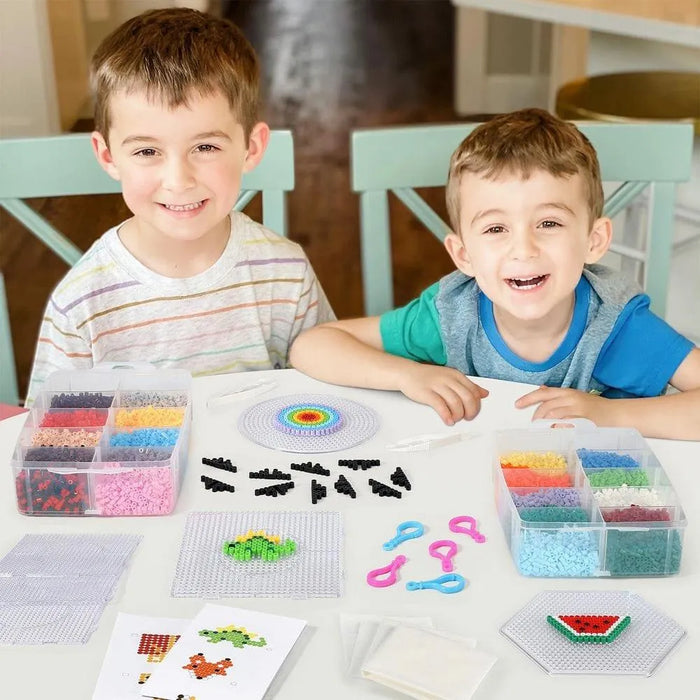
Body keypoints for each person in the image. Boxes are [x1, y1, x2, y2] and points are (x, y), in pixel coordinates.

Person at [290, 108, 700, 440]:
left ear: (593, 240)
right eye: (496, 229)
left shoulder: (615, 328)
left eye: (549, 223)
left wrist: (610, 415)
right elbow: (313, 346)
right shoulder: (452, 316)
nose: (523, 249)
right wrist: (406, 373)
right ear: (463, 254)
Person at [26, 8, 334, 405]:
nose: (179, 180)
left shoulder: (285, 273)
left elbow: (323, 391)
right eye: (147, 150)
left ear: (251, 148)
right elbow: (53, 436)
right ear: (107, 156)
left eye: (205, 147)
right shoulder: (81, 302)